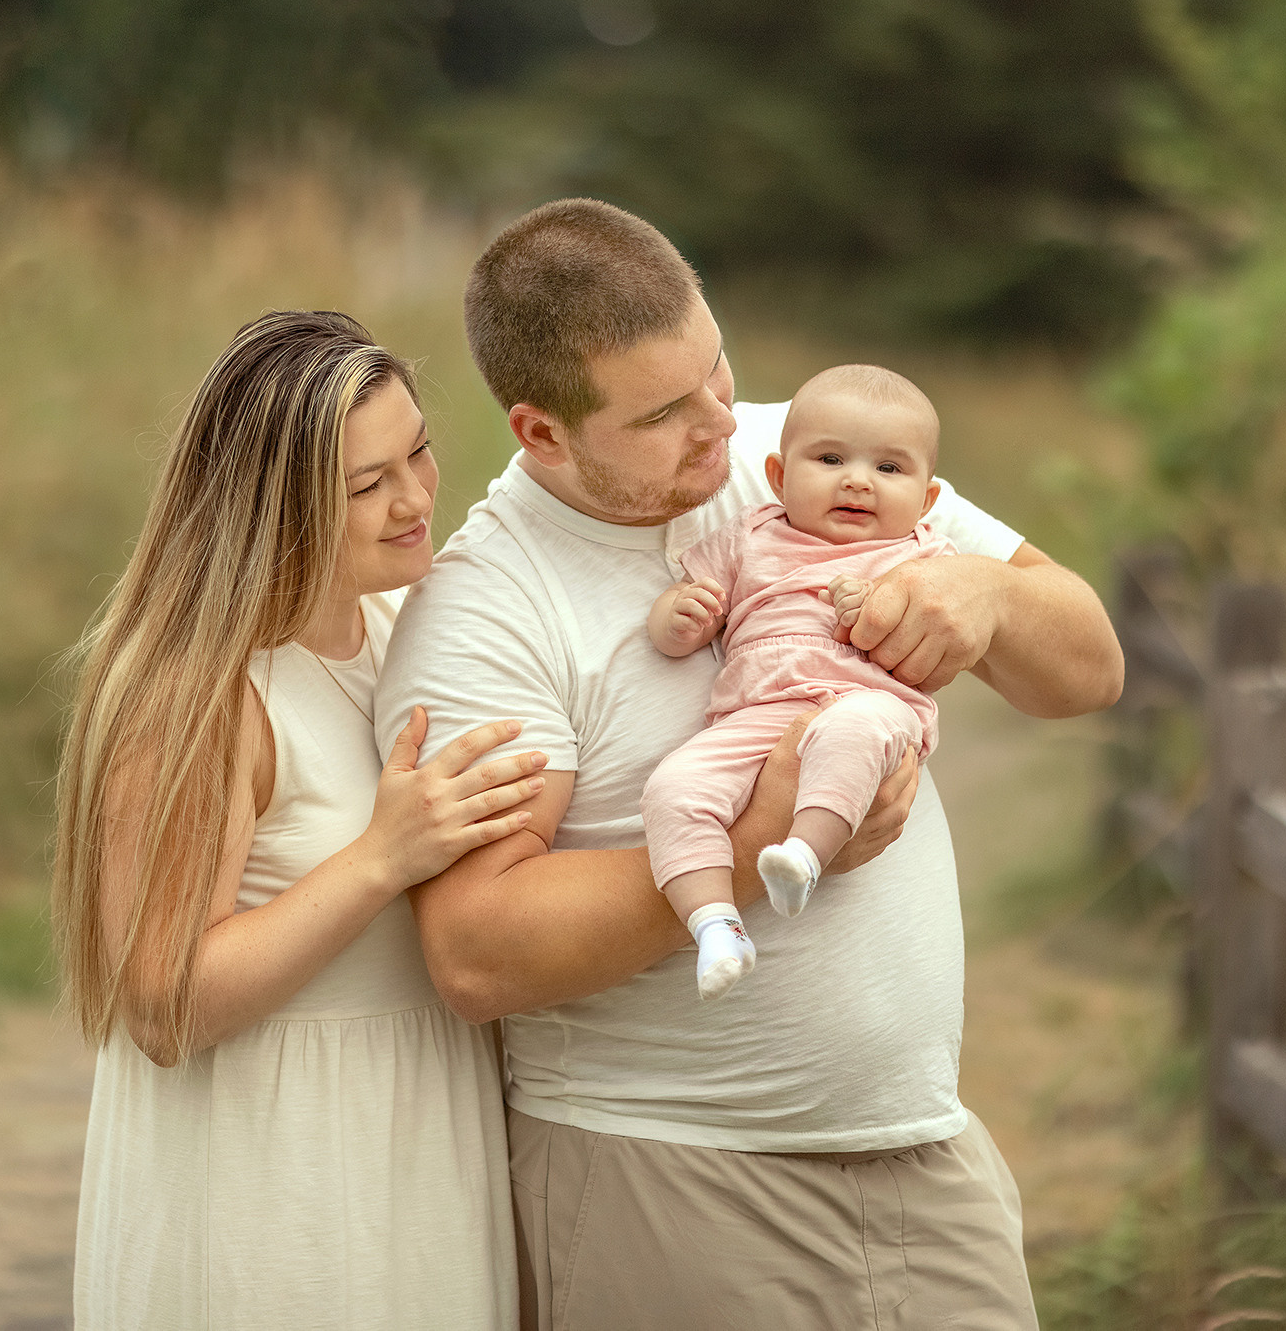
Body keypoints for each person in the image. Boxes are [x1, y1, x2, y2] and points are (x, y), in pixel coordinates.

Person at [376, 199, 1124, 1329]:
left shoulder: (817, 455)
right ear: (540, 432)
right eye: (665, 411)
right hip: (668, 1178)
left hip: (921, 1147)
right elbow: (476, 952)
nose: (718, 423)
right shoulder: (489, 610)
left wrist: (989, 591)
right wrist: (736, 847)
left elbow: (1085, 670)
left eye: (716, 370)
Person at [52, 310, 540, 1328]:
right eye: (367, 485)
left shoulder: (409, 623)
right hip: (274, 1188)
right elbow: (161, 1003)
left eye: (418, 452)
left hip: (423, 1151)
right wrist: (379, 859)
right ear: (276, 503)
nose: (413, 500)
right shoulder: (199, 692)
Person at [642, 363, 955, 999]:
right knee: (673, 790)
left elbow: (941, 629)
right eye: (831, 458)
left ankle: (805, 858)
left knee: (854, 733)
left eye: (889, 469)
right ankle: (715, 926)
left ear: (926, 500)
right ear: (780, 478)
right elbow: (689, 603)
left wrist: (875, 608)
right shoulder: (751, 536)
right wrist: (677, 619)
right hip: (755, 713)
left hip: (870, 701)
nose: (858, 481)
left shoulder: (923, 555)